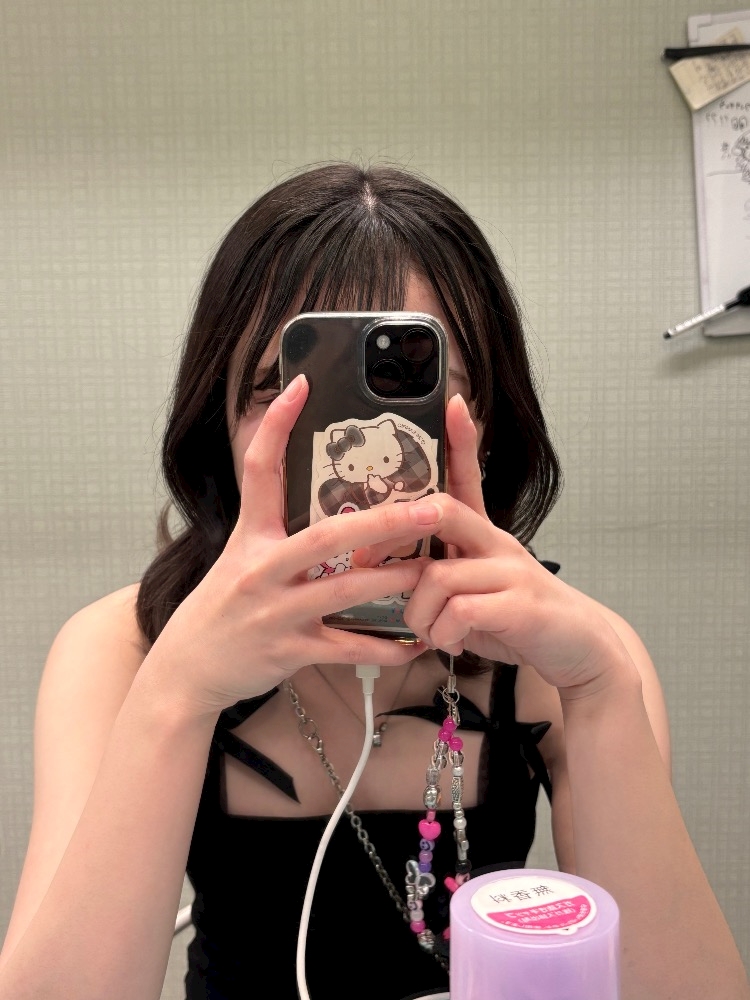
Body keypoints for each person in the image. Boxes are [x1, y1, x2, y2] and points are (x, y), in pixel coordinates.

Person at [0, 163, 747, 1000]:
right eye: (289, 389)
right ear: (220, 419)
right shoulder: (122, 650)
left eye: (410, 387)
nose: (357, 441)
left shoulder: (568, 661)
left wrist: (601, 689)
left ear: (485, 423)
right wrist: (177, 691)